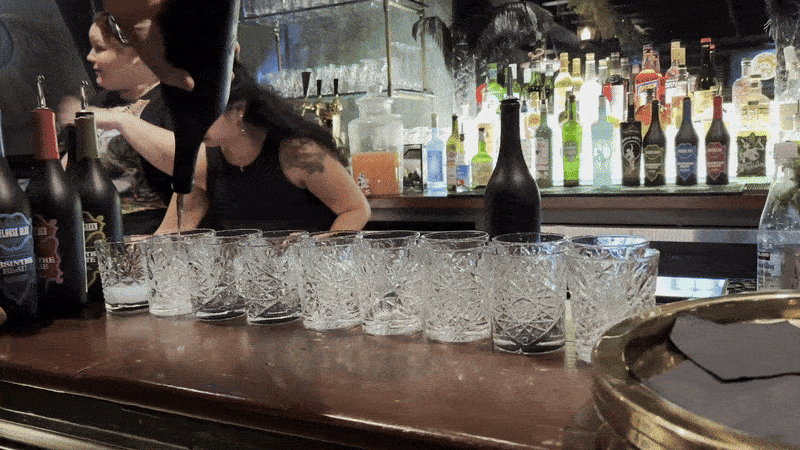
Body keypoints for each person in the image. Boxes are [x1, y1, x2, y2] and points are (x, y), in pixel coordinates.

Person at [110, 60, 370, 233]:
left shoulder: (298, 153)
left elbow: (356, 209)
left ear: (238, 111)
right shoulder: (204, 163)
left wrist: (318, 255)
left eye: (201, 115)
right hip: (250, 292)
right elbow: (171, 234)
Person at [58, 12, 175, 234]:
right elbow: (69, 178)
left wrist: (120, 120)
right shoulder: (99, 102)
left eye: (100, 48)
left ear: (138, 54)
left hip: (152, 234)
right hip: (96, 231)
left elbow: (193, 167)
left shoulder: (172, 99)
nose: (90, 57)